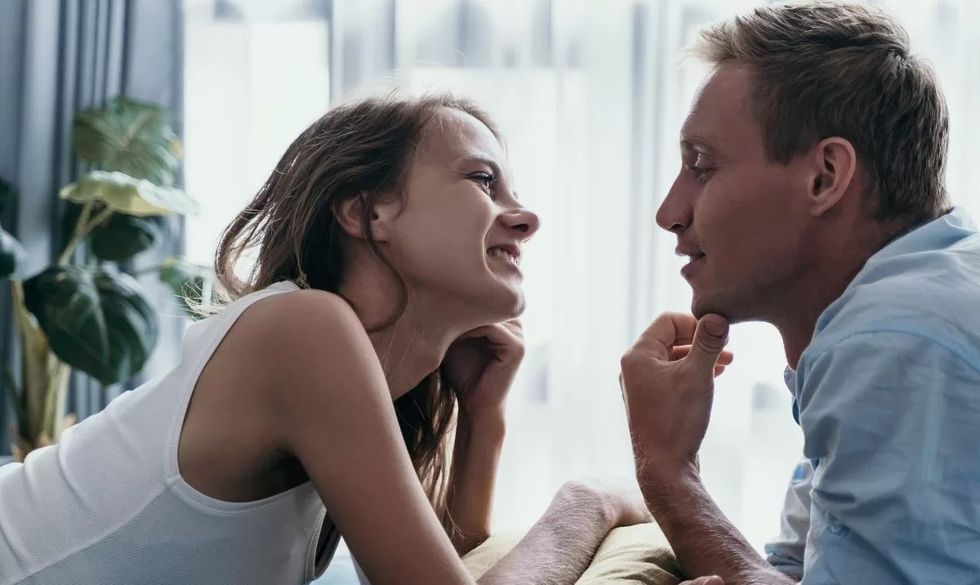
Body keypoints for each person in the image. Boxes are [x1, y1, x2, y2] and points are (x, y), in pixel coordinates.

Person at [0, 94, 650, 585]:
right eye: (483, 181)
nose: (526, 217)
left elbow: (447, 558)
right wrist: (588, 502)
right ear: (367, 212)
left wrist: (483, 416)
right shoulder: (303, 328)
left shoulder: (338, 369)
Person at [619, 2, 980, 584]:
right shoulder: (913, 302)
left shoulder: (895, 340)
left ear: (825, 177)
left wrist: (666, 470)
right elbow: (795, 571)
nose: (669, 213)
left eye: (702, 166)